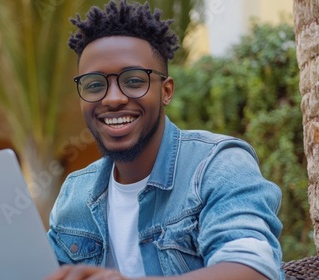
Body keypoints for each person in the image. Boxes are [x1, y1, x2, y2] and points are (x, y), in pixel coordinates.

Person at [45, 0, 284, 279]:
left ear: (166, 91)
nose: (112, 99)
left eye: (134, 80)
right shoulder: (75, 195)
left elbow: (252, 270)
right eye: (95, 85)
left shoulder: (218, 165)